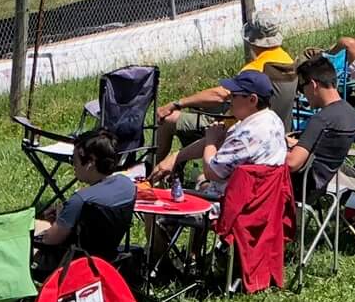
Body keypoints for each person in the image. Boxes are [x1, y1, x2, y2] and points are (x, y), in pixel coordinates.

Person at [152, 16, 294, 159]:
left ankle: (153, 167)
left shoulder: (255, 69)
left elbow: (220, 94)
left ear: (252, 40)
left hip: (231, 131)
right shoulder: (288, 61)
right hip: (276, 130)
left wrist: (177, 103)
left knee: (168, 120)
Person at [151, 70, 287, 199]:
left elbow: (211, 172)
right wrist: (176, 157)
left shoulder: (245, 137)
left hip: (227, 204)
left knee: (161, 198)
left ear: (252, 100)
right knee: (200, 181)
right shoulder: (272, 120)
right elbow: (222, 139)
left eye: (234, 96)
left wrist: (210, 141)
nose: (229, 100)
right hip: (259, 200)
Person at [32, 131, 136, 263]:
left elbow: (51, 239)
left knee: (31, 228)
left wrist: (59, 217)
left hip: (73, 262)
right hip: (108, 259)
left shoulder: (81, 199)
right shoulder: (128, 185)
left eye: (74, 160)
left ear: (90, 162)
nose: (73, 165)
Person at [286, 54, 355, 199]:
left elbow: (292, 163)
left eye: (302, 88)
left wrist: (272, 152)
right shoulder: (349, 113)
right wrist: (297, 143)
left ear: (313, 85)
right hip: (321, 185)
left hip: (300, 187)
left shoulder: (321, 119)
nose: (302, 94)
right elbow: (324, 149)